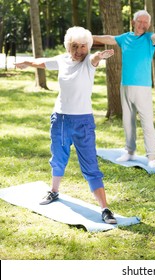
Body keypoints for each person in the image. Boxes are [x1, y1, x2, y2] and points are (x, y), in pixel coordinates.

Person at [15, 26, 117, 224]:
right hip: (60, 119)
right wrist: (26, 62)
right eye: (75, 46)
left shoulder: (89, 61)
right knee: (58, 157)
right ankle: (54, 191)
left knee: (90, 165)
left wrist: (100, 55)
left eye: (83, 46)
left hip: (83, 122)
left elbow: (95, 59)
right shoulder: (62, 59)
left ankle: (105, 209)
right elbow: (42, 62)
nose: (79, 50)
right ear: (68, 46)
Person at [93, 10, 155, 169]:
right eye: (140, 21)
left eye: (146, 22)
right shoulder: (125, 38)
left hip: (142, 87)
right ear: (133, 22)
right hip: (125, 85)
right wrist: (91, 37)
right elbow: (109, 38)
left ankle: (151, 157)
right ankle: (129, 151)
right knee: (128, 121)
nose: (143, 25)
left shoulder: (149, 39)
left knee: (146, 122)